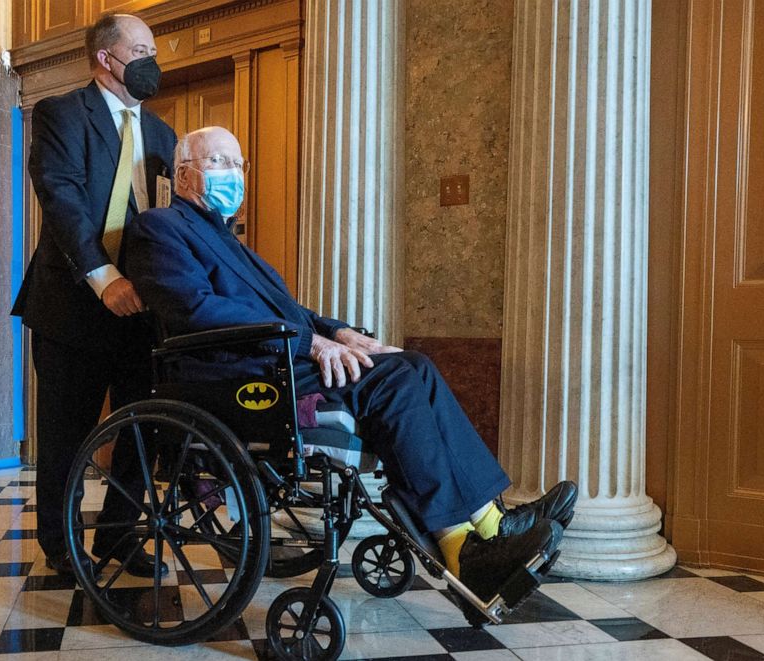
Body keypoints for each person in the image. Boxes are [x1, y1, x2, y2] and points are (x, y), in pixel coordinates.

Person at [124, 127, 577, 602]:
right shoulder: (160, 228)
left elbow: (292, 312)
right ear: (183, 175)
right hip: (238, 372)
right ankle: (461, 548)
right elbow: (194, 310)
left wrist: (340, 333)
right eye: (220, 163)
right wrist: (312, 344)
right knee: (397, 383)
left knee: (413, 364)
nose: (233, 175)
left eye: (239, 166)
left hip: (279, 357)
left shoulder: (232, 242)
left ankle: (491, 521)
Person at [11, 13, 177, 577]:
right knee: (67, 432)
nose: (153, 60)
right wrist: (105, 280)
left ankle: (119, 536)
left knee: (140, 428)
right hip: (73, 305)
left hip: (142, 311)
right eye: (142, 49)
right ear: (107, 58)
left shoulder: (161, 133)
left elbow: (165, 218)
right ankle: (61, 545)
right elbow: (64, 202)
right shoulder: (62, 115)